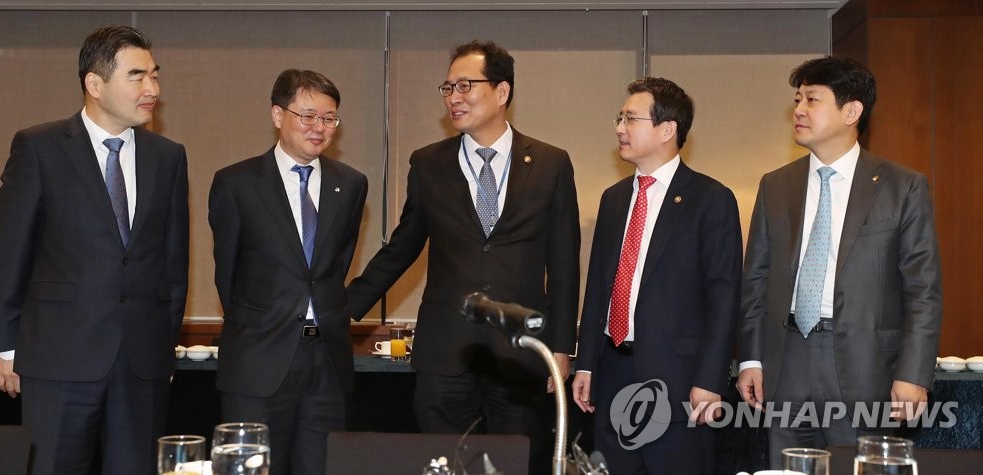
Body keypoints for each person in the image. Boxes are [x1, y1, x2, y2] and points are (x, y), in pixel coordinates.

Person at [346, 40, 580, 474]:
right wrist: (343, 308)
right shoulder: (428, 164)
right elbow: (402, 247)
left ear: (502, 91)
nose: (453, 97)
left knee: (517, 463)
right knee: (443, 463)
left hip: (519, 353)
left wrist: (562, 347)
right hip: (445, 352)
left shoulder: (551, 163)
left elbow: (564, 263)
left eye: (465, 85)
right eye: (448, 87)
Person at [0, 25, 189, 475]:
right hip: (57, 358)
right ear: (94, 84)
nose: (153, 89)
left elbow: (174, 265)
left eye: (155, 75)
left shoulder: (168, 156)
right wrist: (7, 347)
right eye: (137, 76)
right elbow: (9, 253)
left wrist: (164, 346)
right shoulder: (39, 147)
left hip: (142, 364)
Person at [735, 56, 942, 465]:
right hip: (786, 358)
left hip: (865, 364)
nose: (798, 110)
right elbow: (755, 279)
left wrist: (913, 373)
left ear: (852, 111)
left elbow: (923, 290)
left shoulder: (902, 187)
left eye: (812, 99)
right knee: (787, 468)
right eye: (797, 99)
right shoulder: (776, 185)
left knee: (857, 467)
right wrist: (751, 358)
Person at [571, 77, 742, 474]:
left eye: (631, 118)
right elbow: (598, 288)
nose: (620, 127)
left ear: (667, 130)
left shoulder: (711, 199)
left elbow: (723, 297)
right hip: (613, 375)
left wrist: (710, 379)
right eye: (620, 118)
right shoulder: (614, 199)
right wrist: (586, 364)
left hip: (678, 382)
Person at [209, 69, 368, 475]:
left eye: (329, 118)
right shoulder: (236, 183)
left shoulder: (351, 184)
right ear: (278, 115)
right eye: (308, 116)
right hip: (258, 362)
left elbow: (335, 266)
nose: (320, 127)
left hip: (327, 363)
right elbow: (228, 275)